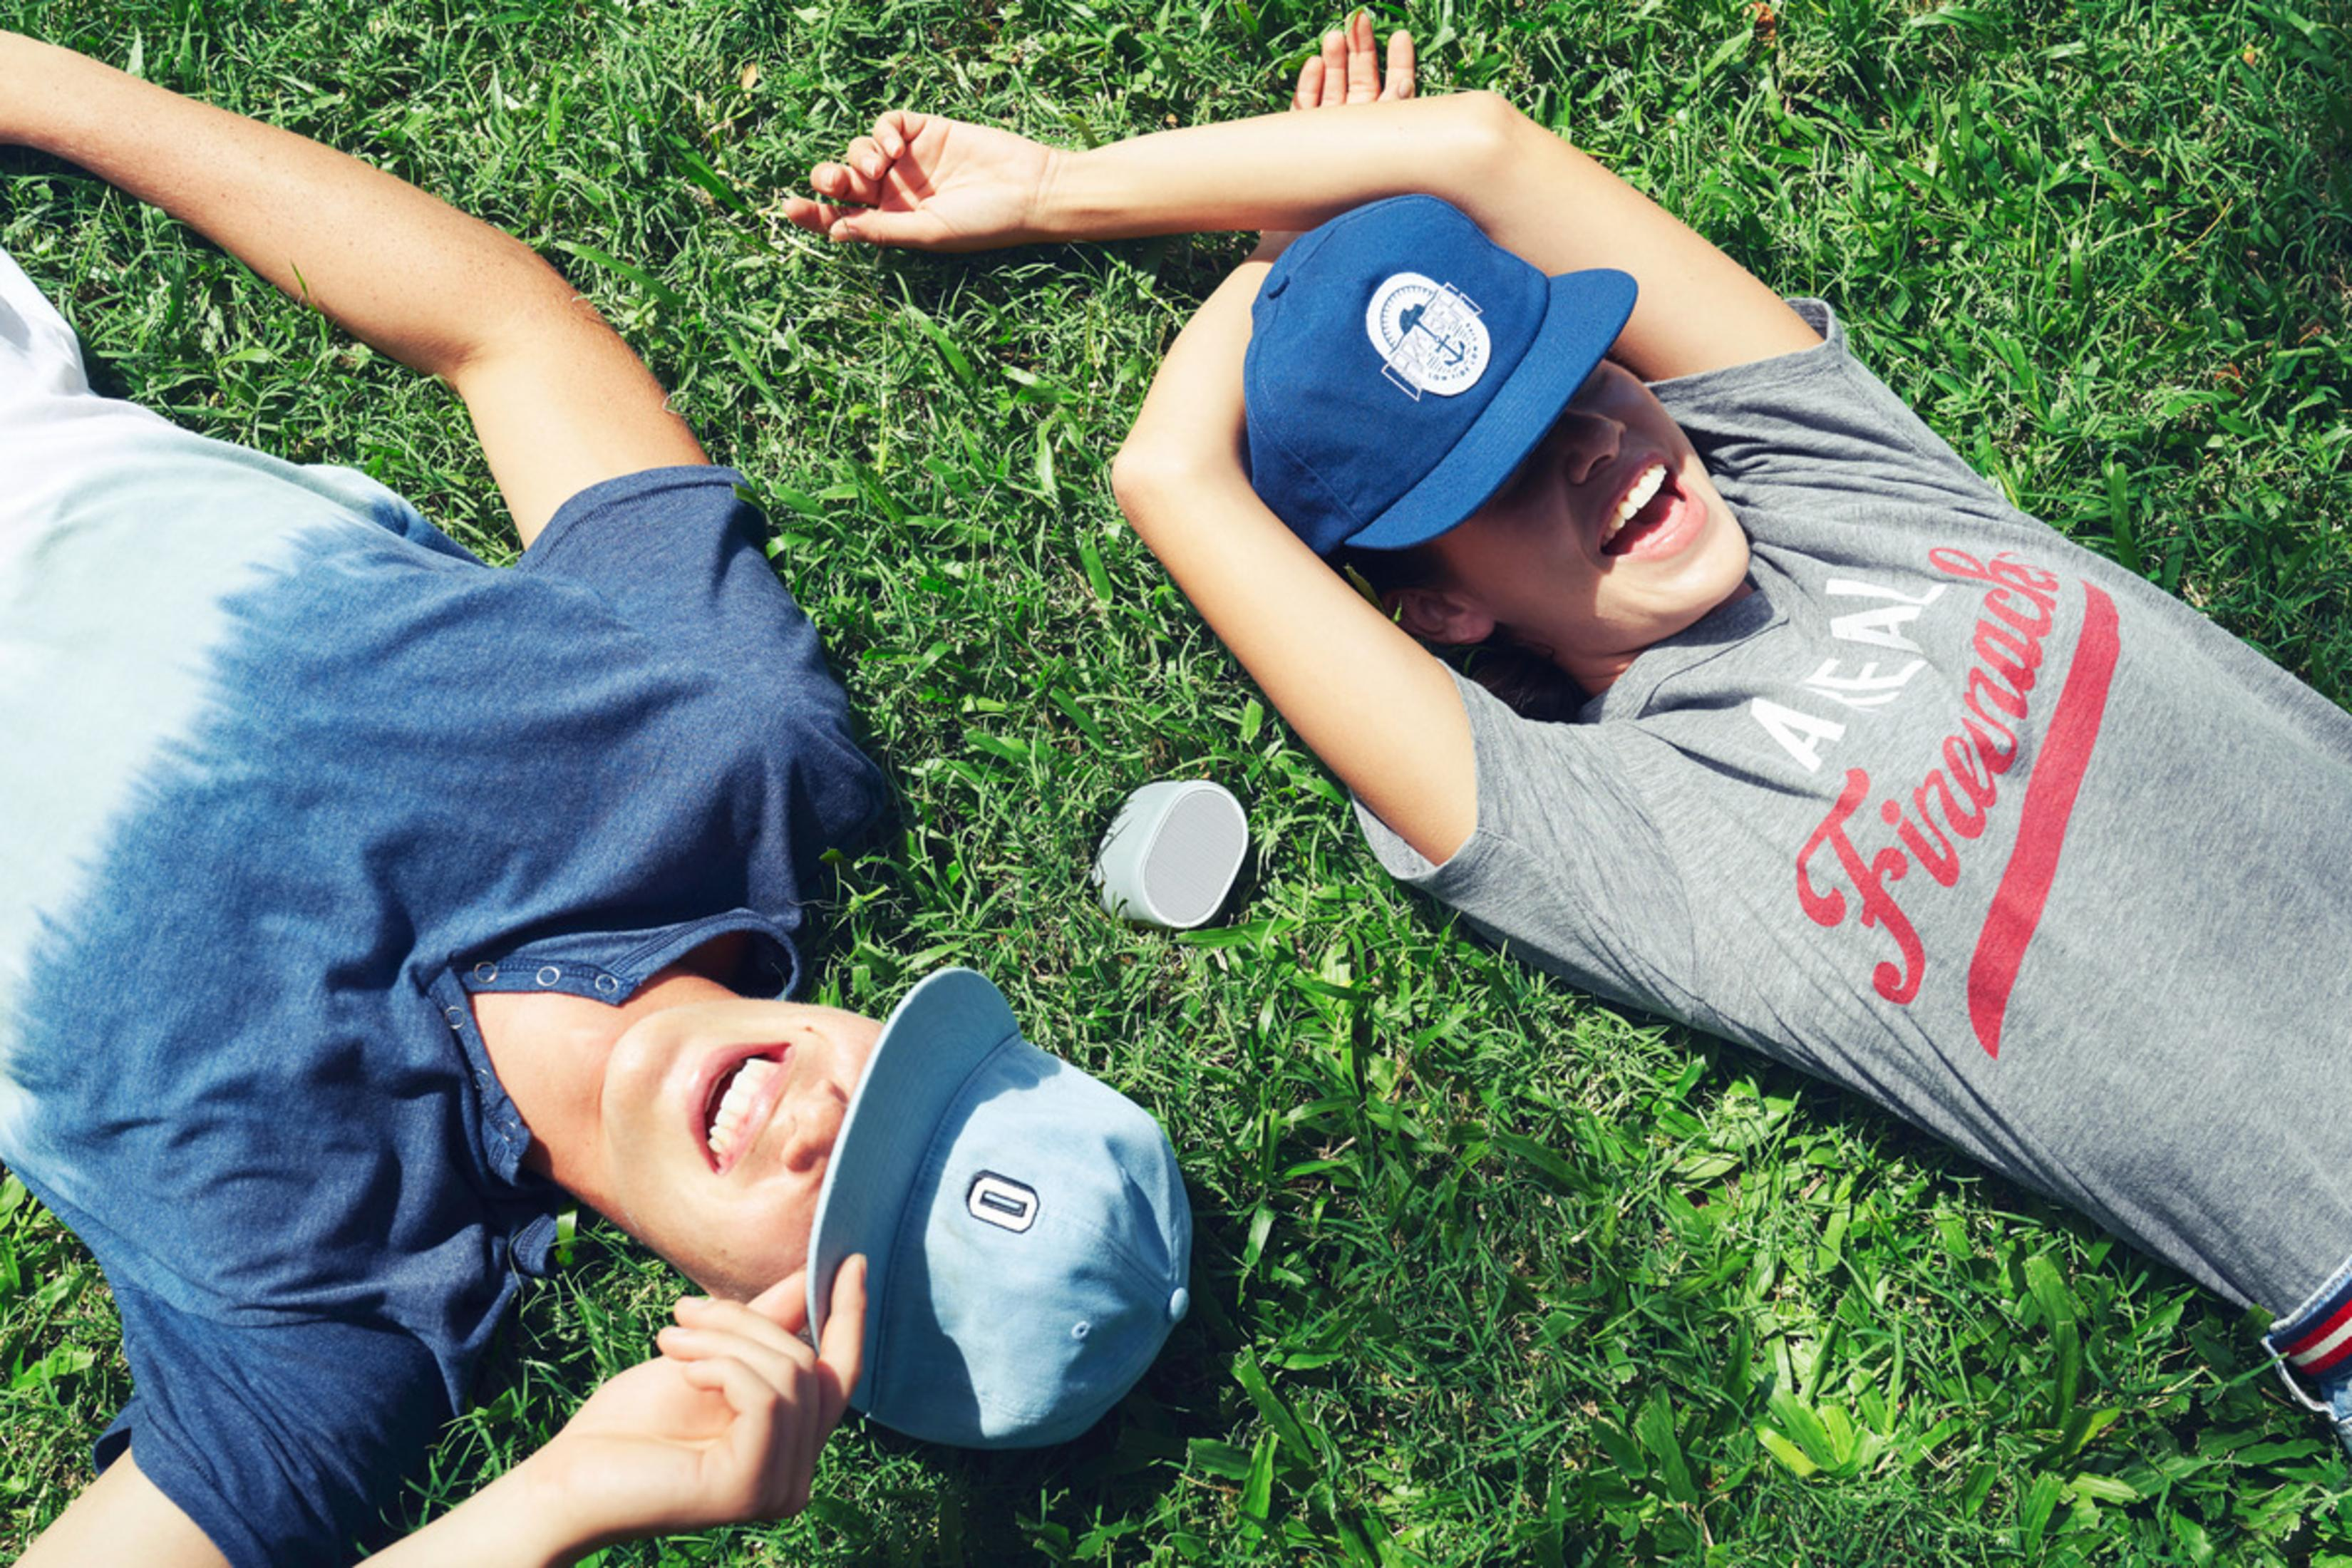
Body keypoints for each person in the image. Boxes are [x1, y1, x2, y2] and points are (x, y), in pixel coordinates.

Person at [787, 13, 2352, 1452]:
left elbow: (1480, 152)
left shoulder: (1838, 483)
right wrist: (1278, 248)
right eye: (1511, 471)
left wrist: (1090, 186)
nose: (1602, 443)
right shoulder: (1620, 830)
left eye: (1576, 373)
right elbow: (1171, 477)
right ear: (1447, 610)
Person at [1, 32, 1192, 1567]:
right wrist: (43, 92)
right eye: (903, 1089)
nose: (825, 1115)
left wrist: (559, 1499)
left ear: (770, 1332)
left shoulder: (338, 1320)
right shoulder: (732, 747)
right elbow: (508, 333)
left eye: (859, 1211)